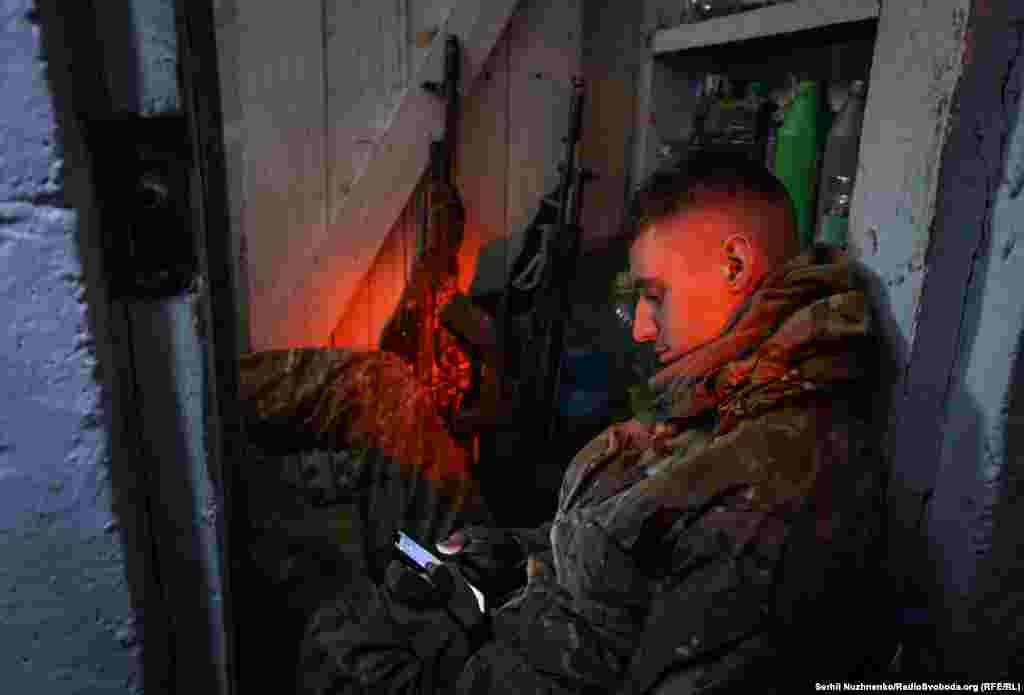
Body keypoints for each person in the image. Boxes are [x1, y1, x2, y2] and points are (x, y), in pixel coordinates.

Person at [297, 153, 892, 694]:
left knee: (338, 648)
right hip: (511, 613)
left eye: (653, 297)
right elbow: (618, 535)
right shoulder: (718, 386)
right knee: (362, 586)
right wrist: (512, 553)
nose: (639, 328)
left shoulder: (773, 490)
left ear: (735, 264)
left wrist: (481, 631)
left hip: (510, 659)